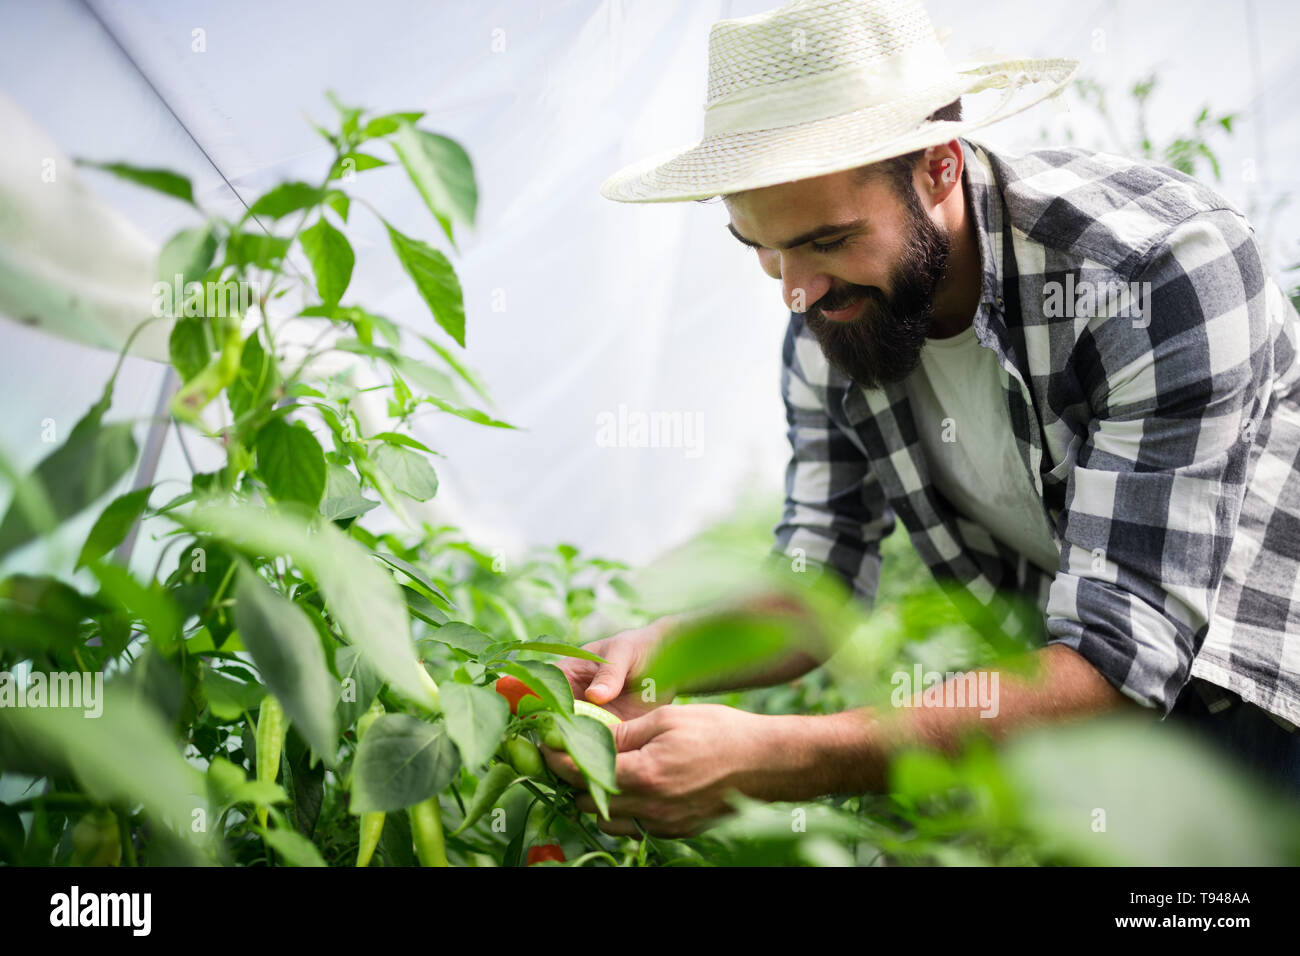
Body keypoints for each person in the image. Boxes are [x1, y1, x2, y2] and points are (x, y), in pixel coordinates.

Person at [551, 0, 1300, 837]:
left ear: (939, 167)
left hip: (1263, 680)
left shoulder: (1151, 271)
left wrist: (787, 754)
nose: (796, 291)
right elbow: (819, 582)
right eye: (762, 247)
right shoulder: (834, 329)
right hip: (1079, 704)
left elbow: (1120, 656)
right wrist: (655, 658)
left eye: (827, 241)